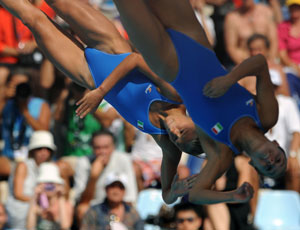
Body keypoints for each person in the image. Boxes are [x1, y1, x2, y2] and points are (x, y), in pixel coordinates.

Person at [0, 0, 203, 206]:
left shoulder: (167, 145)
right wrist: (100, 93)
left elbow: (166, 196)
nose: (175, 134)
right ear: (195, 123)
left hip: (89, 74)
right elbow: (135, 60)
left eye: (177, 140)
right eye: (183, 132)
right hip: (111, 48)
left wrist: (173, 193)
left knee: (33, 20)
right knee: (59, 3)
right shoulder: (175, 96)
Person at [111, 0, 287, 204]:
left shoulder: (222, 152)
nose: (271, 161)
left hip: (168, 65)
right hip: (193, 37)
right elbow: (260, 64)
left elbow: (196, 195)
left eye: (269, 167)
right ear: (275, 144)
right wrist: (229, 79)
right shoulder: (266, 117)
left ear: (255, 166)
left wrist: (231, 196)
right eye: (278, 159)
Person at [74, 130, 138, 221]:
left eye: (106, 147)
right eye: (98, 148)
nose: (102, 152)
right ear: (92, 148)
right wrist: (93, 177)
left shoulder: (123, 160)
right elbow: (82, 201)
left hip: (118, 207)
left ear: (113, 147)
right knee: (82, 210)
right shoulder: (83, 163)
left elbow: (130, 198)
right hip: (95, 209)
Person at [5, 130, 56, 229]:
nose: (44, 152)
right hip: (20, 208)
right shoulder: (23, 165)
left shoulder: (50, 168)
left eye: (47, 149)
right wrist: (37, 203)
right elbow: (18, 194)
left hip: (38, 208)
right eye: (39, 148)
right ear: (33, 150)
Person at [0, 68, 51, 160]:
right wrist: (3, 98)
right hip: (7, 156)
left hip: (32, 157)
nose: (19, 89)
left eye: (22, 85)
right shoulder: (6, 104)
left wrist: (25, 111)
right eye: (15, 85)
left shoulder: (41, 104)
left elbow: (44, 132)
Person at [224, 0, 278, 65]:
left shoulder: (266, 12)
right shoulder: (232, 18)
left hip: (267, 61)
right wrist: (246, 67)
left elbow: (274, 41)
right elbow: (231, 47)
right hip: (244, 62)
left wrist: (270, 61)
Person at [27, 162, 73, 230]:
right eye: (46, 182)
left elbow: (65, 226)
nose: (49, 186)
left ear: (58, 184)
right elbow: (29, 227)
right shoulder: (36, 204)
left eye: (52, 183)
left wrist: (60, 198)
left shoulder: (66, 204)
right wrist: (35, 197)